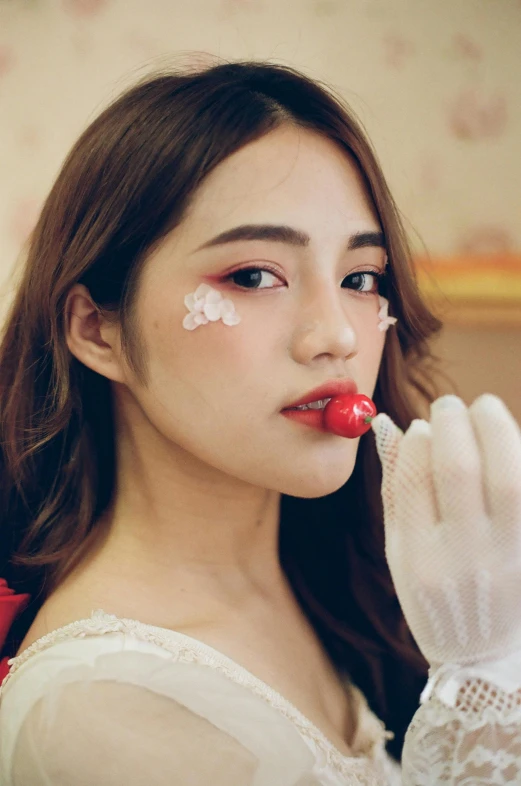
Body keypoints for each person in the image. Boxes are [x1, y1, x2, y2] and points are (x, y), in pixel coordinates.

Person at [0, 59, 519, 786]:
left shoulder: (342, 583)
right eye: (252, 275)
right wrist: (481, 679)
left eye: (360, 278)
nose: (336, 334)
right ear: (97, 330)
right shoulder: (103, 713)